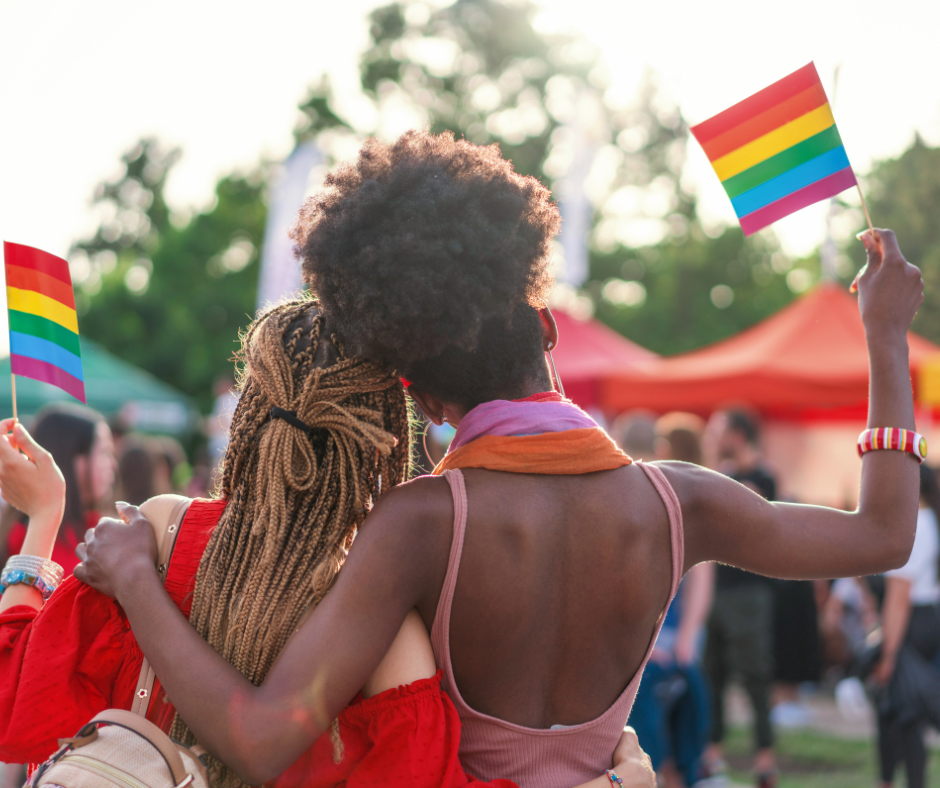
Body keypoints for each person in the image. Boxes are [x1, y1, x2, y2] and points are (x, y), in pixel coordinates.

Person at [68, 134, 920, 788]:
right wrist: (882, 336)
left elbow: (259, 737)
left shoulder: (421, 522)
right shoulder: (680, 503)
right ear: (547, 329)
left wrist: (138, 578)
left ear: (419, 392)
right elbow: (883, 536)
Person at [0, 300, 650, 788]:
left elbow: (14, 695)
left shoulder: (157, 535)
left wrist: (43, 518)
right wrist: (613, 783)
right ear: (384, 438)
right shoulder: (379, 614)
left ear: (251, 409)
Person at [628, 413, 713, 788]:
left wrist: (685, 638)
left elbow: (701, 575)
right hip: (660, 636)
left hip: (669, 635)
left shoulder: (676, 496)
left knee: (670, 728)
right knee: (660, 730)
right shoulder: (672, 494)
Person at [700, 408, 778, 786]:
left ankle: (765, 758)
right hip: (716, 590)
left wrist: (715, 466)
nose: (713, 437)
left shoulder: (762, 476)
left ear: (737, 433)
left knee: (755, 678)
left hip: (749, 594)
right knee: (712, 674)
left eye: (719, 431)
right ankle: (713, 754)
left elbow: (749, 505)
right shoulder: (722, 474)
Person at [872, 463, 940, 788]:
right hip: (927, 619)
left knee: (901, 713)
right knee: (908, 712)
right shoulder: (931, 521)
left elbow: (899, 597)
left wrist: (888, 653)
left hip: (911, 621)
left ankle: (897, 782)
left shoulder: (915, 526)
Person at [3, 403, 116, 573]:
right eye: (104, 453)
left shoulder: (96, 530)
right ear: (75, 459)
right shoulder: (30, 541)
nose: (113, 465)